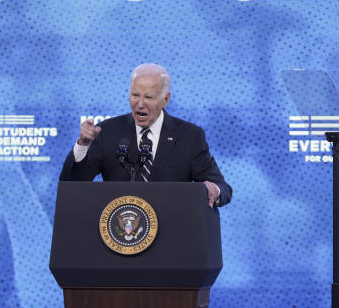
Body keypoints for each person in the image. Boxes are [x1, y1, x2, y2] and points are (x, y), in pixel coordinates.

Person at [59, 63, 232, 207]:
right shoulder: (107, 132)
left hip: (172, 237)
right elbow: (72, 184)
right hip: (118, 235)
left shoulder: (190, 136)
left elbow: (222, 188)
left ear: (165, 99)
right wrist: (83, 144)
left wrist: (214, 191)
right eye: (135, 95)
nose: (139, 104)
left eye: (149, 97)